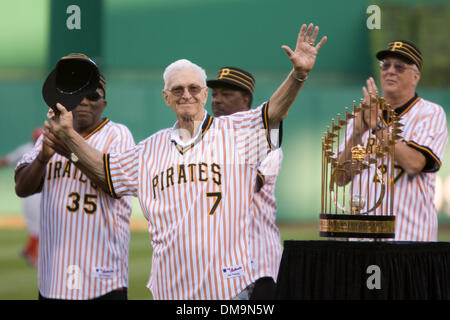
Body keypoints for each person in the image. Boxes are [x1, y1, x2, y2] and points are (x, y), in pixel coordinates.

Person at [45, 24, 326, 299]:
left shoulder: (236, 132)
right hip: (169, 289)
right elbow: (106, 172)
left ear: (204, 94)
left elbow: (274, 111)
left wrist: (298, 75)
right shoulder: (148, 150)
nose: (186, 94)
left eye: (194, 88)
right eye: (177, 90)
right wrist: (69, 136)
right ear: (166, 97)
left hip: (229, 288)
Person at [14, 54, 135, 300]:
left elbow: (113, 183)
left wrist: (70, 151)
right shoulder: (50, 134)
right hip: (53, 280)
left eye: (93, 95)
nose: (85, 102)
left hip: (103, 279)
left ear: (104, 103)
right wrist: (43, 158)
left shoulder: (117, 135)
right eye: (79, 95)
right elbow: (22, 187)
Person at [337, 40, 448, 241]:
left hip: (409, 242)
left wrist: (377, 126)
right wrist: (356, 134)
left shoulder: (429, 113)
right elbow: (341, 178)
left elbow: (414, 164)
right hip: (362, 241)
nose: (390, 71)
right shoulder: (362, 117)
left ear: (415, 77)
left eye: (399, 67)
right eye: (385, 65)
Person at [207, 67, 283, 299]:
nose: (217, 100)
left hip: (258, 262)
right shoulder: (206, 140)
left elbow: (244, 184)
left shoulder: (268, 142)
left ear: (246, 100)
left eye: (226, 94)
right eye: (215, 94)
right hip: (222, 266)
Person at [1, 127, 43, 267]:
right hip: (29, 191)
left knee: (39, 224)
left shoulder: (50, 148)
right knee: (36, 224)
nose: (38, 139)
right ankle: (30, 251)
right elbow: (6, 160)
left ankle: (28, 250)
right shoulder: (25, 149)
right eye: (37, 137)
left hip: (43, 190)